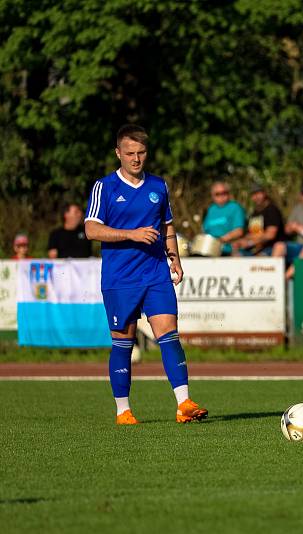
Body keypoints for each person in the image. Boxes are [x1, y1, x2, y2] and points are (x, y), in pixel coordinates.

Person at [84, 124, 207, 425]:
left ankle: (183, 404)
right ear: (118, 153)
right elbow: (91, 229)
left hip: (155, 273)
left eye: (140, 153)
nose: (136, 159)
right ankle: (123, 410)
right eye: (129, 153)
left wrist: (174, 258)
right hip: (120, 278)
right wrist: (131, 234)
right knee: (123, 342)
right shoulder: (105, 187)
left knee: (169, 333)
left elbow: (167, 225)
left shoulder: (158, 186)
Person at [231, 183, 286, 256]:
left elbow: (270, 235)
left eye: (258, 193)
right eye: (253, 195)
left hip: (271, 247)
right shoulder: (255, 214)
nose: (256, 197)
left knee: (260, 258)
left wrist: (249, 242)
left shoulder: (272, 210)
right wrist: (241, 242)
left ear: (264, 193)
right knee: (236, 255)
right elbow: (254, 233)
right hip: (256, 248)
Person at [201, 181, 246, 256]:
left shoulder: (235, 207)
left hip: (229, 250)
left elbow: (239, 231)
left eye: (224, 192)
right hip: (210, 250)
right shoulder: (211, 209)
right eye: (217, 194)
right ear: (212, 195)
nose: (221, 196)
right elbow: (205, 230)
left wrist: (219, 240)